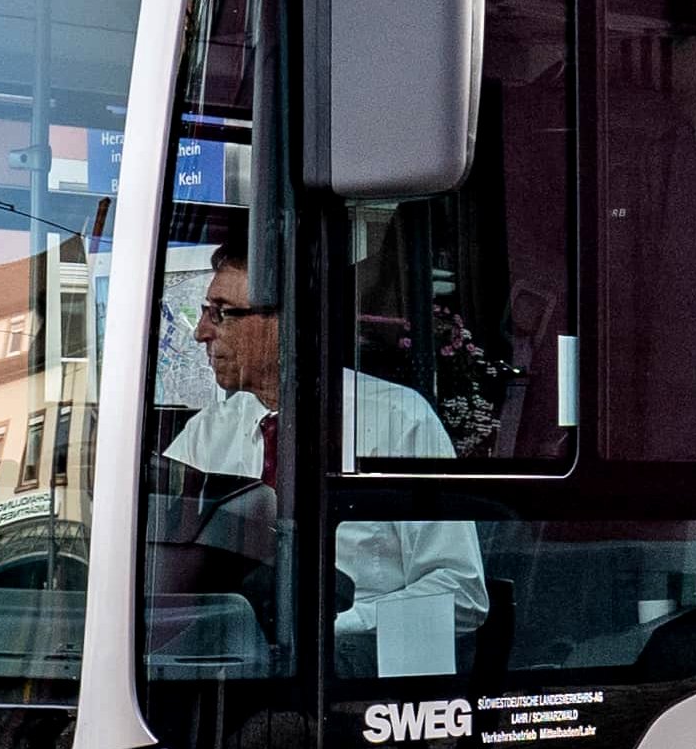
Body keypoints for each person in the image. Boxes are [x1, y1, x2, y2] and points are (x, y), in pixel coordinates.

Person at [163, 234, 488, 676]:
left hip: (351, 668)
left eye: (221, 313)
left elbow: (461, 594)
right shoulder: (209, 432)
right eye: (205, 312)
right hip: (234, 664)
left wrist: (335, 625)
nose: (202, 332)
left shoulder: (397, 420)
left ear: (283, 321)